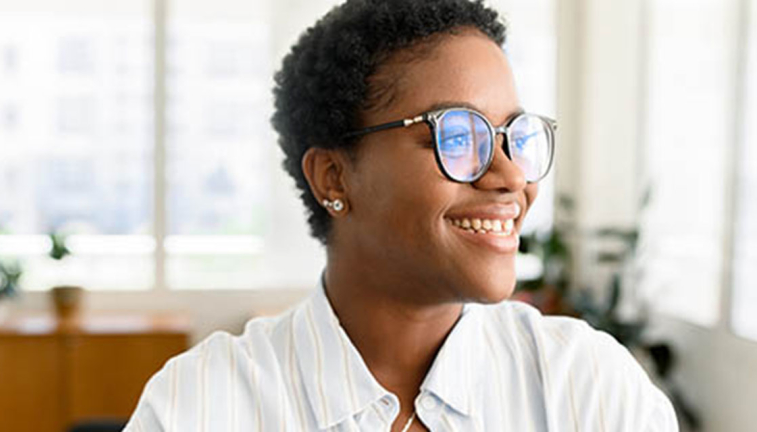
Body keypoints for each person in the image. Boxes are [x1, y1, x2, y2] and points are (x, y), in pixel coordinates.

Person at [124, 0, 678, 431]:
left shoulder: (590, 389)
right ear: (334, 178)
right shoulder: (202, 406)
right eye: (457, 136)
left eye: (513, 135)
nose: (512, 176)